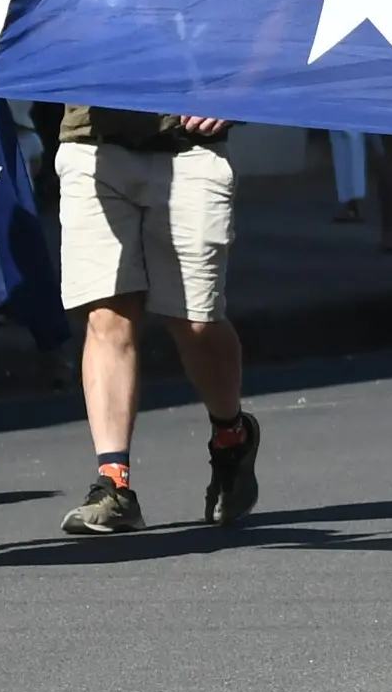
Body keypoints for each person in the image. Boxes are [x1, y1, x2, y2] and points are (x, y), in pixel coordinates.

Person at [51, 97, 257, 535]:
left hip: (190, 146)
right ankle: (114, 484)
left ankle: (231, 436)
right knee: (108, 314)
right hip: (92, 143)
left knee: (195, 321)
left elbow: (267, 28)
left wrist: (240, 90)